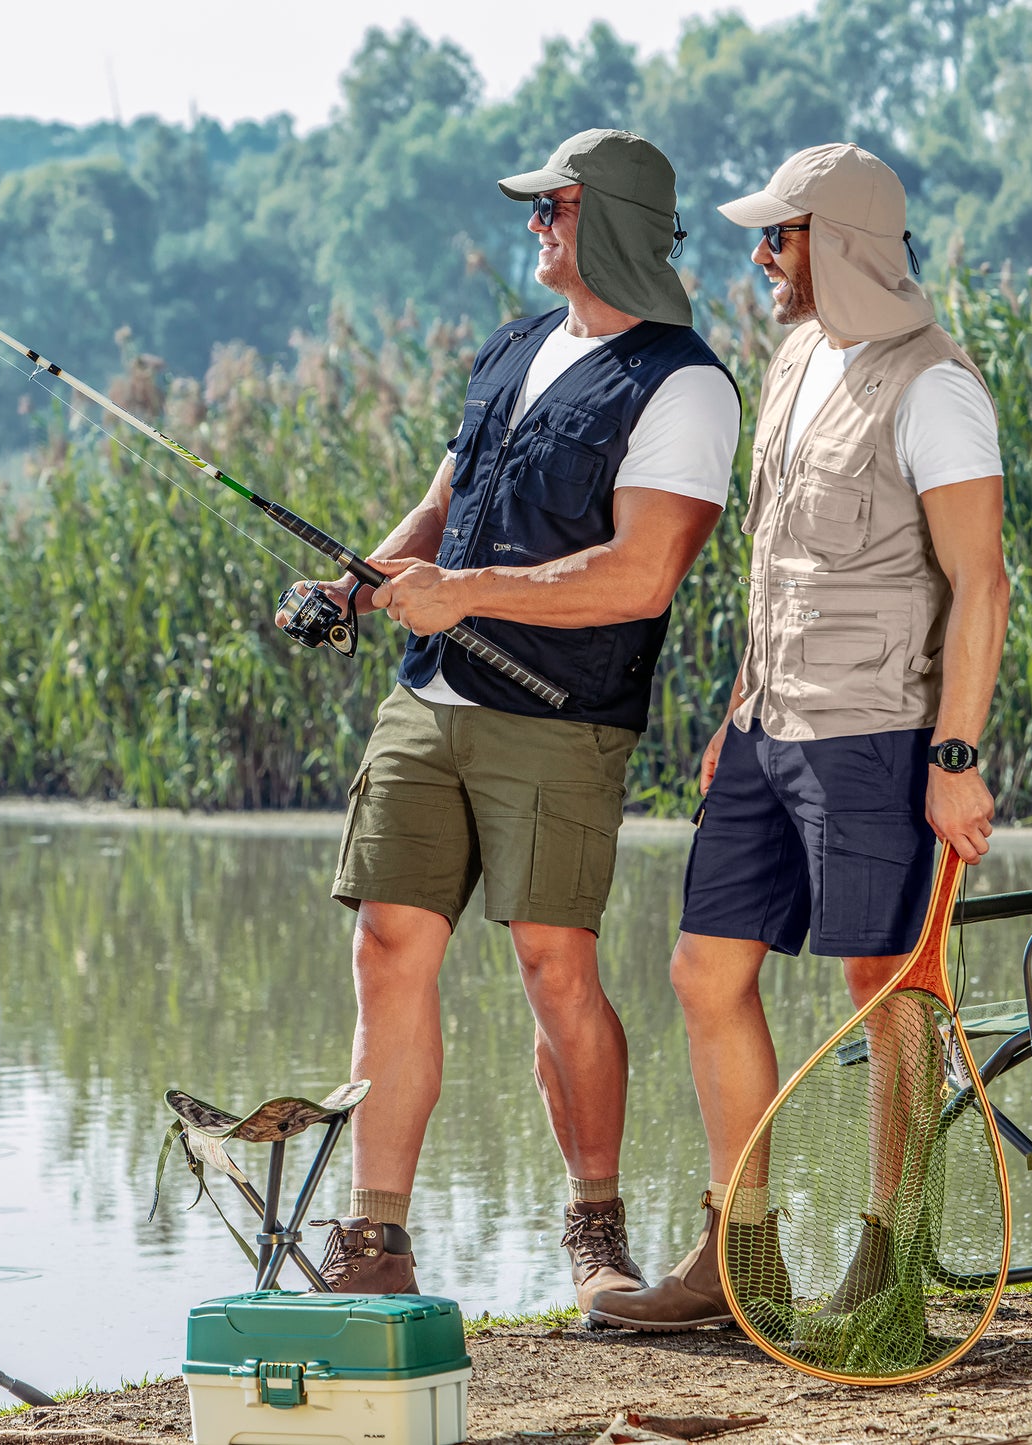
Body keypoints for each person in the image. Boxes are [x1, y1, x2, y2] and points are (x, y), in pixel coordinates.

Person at [287, 129, 740, 1310]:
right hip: (425, 695)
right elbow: (444, 504)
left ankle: (595, 1227)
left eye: (556, 204)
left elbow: (642, 576)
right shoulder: (515, 345)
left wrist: (467, 593)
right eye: (535, 205)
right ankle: (373, 1243)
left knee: (553, 966)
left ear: (614, 220)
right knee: (385, 945)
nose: (534, 220)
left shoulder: (680, 383)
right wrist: (358, 581)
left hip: (560, 719)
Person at [588, 142, 1009, 1332]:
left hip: (879, 730)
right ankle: (743, 1258)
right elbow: (776, 559)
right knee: (702, 969)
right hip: (768, 724)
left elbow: (980, 583)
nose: (758, 255)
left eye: (776, 235)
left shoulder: (934, 386)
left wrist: (956, 757)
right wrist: (735, 708)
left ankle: (887, 1266)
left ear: (835, 242)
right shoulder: (793, 358)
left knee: (885, 990)